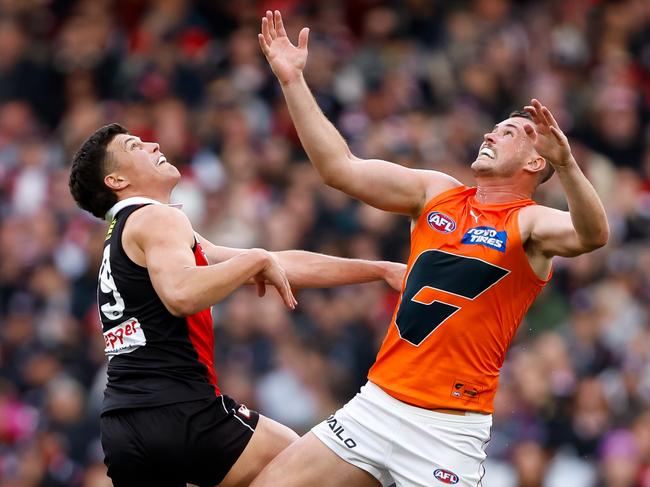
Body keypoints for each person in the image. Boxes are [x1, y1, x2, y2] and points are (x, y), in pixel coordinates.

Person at [255, 10, 610, 487]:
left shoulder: (529, 222)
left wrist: (566, 165)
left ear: (534, 160)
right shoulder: (435, 192)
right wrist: (294, 80)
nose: (490, 133)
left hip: (446, 430)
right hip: (377, 403)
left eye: (507, 132)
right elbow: (339, 168)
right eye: (494, 127)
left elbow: (593, 235)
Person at [67, 123, 406, 487]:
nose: (153, 143)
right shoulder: (157, 217)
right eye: (135, 145)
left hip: (123, 426)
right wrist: (255, 259)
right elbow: (182, 294)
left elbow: (280, 264)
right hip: (180, 409)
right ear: (116, 180)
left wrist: (378, 270)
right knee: (305, 466)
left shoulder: (124, 235)